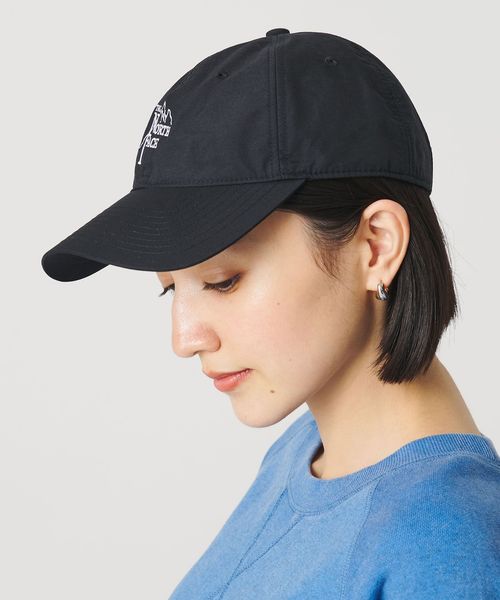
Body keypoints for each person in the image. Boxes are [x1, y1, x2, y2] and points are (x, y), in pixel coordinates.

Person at [41, 29, 500, 599]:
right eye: (170, 289)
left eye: (223, 281)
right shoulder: (307, 450)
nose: (184, 339)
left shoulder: (445, 549)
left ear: (376, 245)